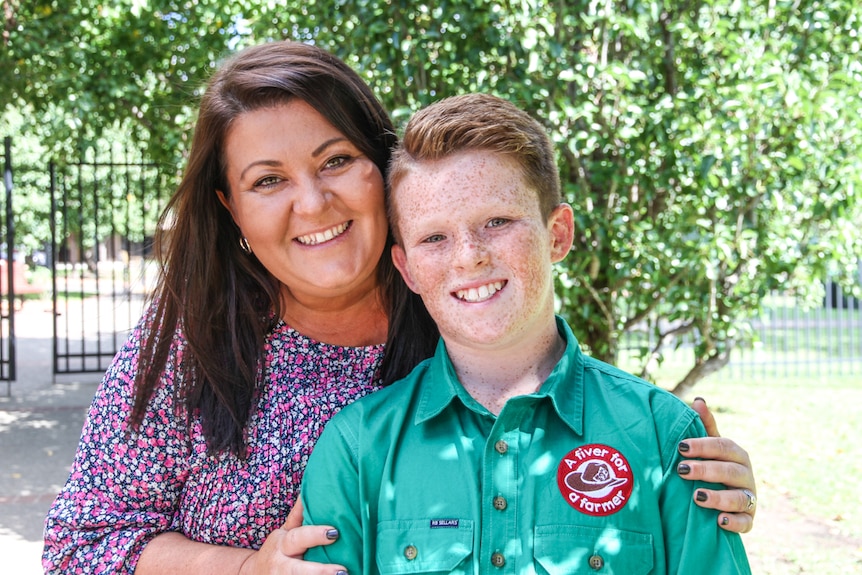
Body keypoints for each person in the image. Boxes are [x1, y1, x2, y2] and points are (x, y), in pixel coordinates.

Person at [42, 41, 755, 575]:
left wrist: (670, 461)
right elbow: (80, 544)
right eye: (268, 180)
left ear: (381, 170)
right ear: (231, 207)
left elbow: (561, 408)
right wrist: (242, 568)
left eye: (335, 160)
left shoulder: (450, 310)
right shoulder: (193, 342)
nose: (314, 202)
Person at [300, 93, 751, 574]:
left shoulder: (662, 436)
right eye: (434, 237)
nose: (468, 256)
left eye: (496, 222)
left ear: (557, 234)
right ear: (406, 268)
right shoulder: (358, 449)